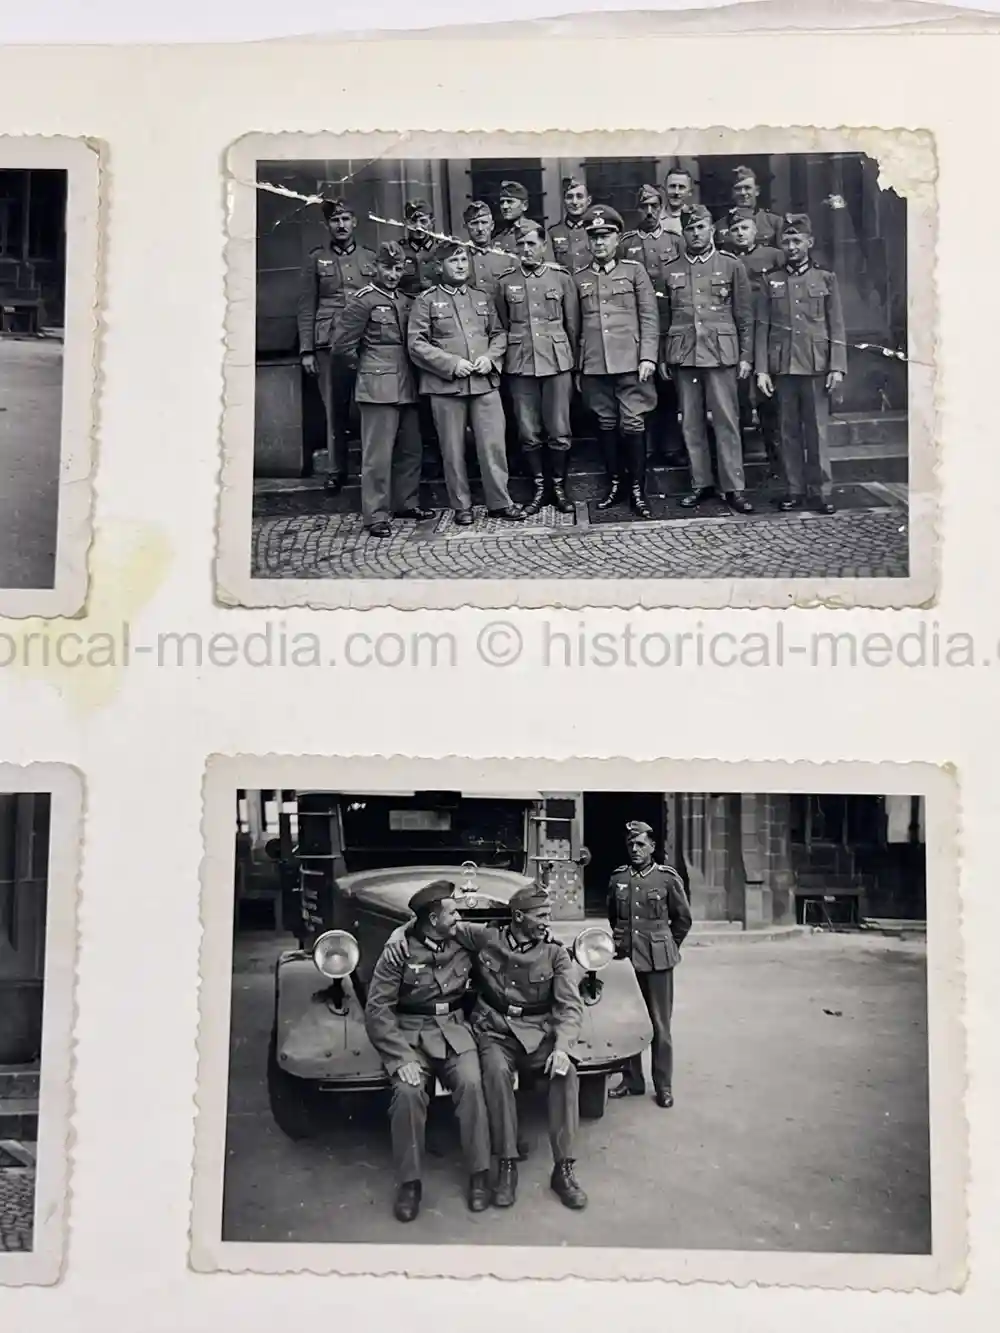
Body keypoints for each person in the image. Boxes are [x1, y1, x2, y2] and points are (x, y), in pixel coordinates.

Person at [384, 884, 588, 1212]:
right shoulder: (486, 938)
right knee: (493, 1071)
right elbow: (428, 922)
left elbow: (570, 1006)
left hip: (539, 1032)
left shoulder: (555, 952)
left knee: (566, 1073)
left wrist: (563, 1048)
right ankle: (506, 1164)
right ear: (518, 916)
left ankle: (564, 1169)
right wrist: (398, 934)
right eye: (540, 915)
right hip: (496, 1030)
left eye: (547, 914)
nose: (547, 921)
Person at [364, 880, 493, 1222]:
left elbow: (503, 938)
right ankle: (410, 1183)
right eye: (452, 913)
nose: (458, 918)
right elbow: (377, 1010)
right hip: (410, 1037)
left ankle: (480, 1174)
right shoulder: (398, 951)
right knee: (407, 1093)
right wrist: (400, 1058)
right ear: (433, 919)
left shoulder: (461, 935)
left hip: (454, 1030)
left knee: (472, 1083)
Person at [407, 239, 524, 525]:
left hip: (484, 384)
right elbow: (416, 343)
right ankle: (462, 506)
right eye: (453, 261)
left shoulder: (481, 297)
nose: (460, 266)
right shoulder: (426, 301)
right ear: (440, 266)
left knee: (493, 445)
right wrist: (451, 364)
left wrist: (490, 358)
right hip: (446, 387)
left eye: (463, 260)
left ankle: (500, 501)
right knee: (452, 449)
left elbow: (498, 333)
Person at [330, 240, 433, 537]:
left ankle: (406, 502)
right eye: (387, 268)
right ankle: (375, 514)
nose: (392, 274)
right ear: (375, 267)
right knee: (378, 455)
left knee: (411, 449)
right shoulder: (362, 301)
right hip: (376, 387)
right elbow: (342, 347)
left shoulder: (403, 301)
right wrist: (367, 371)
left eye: (398, 268)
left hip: (406, 385)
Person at [659, 203, 755, 514]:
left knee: (727, 422)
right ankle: (701, 483)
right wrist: (663, 355)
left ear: (712, 229)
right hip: (685, 356)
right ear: (683, 232)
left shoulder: (730, 265)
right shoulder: (670, 269)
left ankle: (734, 488)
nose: (696, 233)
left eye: (701, 227)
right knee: (691, 423)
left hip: (720, 355)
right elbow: (664, 317)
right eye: (690, 228)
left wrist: (745, 356)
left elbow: (744, 316)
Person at [755, 213, 847, 514]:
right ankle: (794, 489)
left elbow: (837, 327)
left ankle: (822, 491)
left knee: (817, 431)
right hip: (783, 367)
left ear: (810, 242)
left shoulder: (825, 279)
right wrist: (762, 369)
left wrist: (837, 366)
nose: (792, 246)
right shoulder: (772, 280)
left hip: (815, 365)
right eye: (787, 241)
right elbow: (763, 327)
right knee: (788, 431)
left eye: (797, 240)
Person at [574, 204, 660, 518]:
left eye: (606, 236)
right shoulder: (579, 278)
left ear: (618, 238)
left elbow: (649, 317)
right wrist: (577, 365)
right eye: (594, 236)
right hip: (595, 363)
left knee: (634, 423)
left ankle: (638, 490)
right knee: (606, 424)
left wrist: (648, 355)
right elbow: (575, 325)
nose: (599, 242)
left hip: (632, 362)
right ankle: (615, 485)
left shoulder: (634, 271)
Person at [493, 219, 581, 515]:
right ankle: (540, 487)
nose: (526, 250)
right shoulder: (505, 282)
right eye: (521, 245)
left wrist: (575, 366)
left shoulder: (561, 279)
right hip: (520, 364)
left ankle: (558, 486)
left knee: (559, 429)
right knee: (528, 431)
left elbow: (572, 325)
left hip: (557, 362)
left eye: (532, 244)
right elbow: (503, 326)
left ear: (544, 246)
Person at [607, 821, 692, 1109]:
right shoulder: (618, 878)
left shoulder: (666, 879)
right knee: (628, 1021)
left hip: (658, 961)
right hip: (626, 959)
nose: (635, 849)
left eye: (641, 844)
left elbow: (683, 920)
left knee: (659, 1025)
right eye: (631, 844)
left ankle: (663, 1085)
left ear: (653, 847)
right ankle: (632, 1080)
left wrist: (667, 946)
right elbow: (614, 918)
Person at [296, 198, 377, 494]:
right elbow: (306, 307)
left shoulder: (370, 258)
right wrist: (306, 350)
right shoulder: (316, 259)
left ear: (355, 222)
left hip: (365, 342)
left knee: (371, 403)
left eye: (346, 219)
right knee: (334, 408)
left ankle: (373, 468)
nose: (341, 225)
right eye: (335, 220)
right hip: (328, 343)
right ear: (327, 225)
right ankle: (336, 469)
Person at [717, 205, 785, 473]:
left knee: (770, 401)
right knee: (739, 399)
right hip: (738, 336)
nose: (740, 233)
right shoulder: (726, 260)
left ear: (756, 231)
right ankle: (739, 461)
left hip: (768, 333)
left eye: (745, 228)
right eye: (735, 229)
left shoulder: (775, 255)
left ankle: (777, 460)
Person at [622, 185, 686, 464]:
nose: (649, 212)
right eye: (644, 206)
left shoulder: (676, 241)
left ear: (661, 208)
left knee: (670, 388)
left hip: (671, 324)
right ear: (638, 209)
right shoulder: (626, 243)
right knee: (642, 387)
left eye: (654, 206)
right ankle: (645, 446)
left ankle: (671, 446)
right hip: (639, 329)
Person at [714, 164, 783, 250]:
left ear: (757, 191)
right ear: (732, 193)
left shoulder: (773, 222)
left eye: (747, 188)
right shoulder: (720, 225)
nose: (743, 193)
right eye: (738, 189)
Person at [463, 199, 516, 300]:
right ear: (466, 227)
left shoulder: (507, 258)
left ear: (492, 226)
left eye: (484, 223)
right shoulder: (459, 257)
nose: (480, 228)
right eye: (474, 223)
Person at [548, 175, 594, 273]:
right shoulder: (553, 233)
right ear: (563, 201)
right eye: (569, 197)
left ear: (588, 201)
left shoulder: (596, 230)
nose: (574, 202)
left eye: (580, 196)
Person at [399, 199, 441, 298]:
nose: (418, 227)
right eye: (413, 221)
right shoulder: (398, 251)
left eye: (423, 221)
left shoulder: (442, 249)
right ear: (406, 223)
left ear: (432, 222)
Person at [661, 165, 695, 239]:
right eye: (672, 186)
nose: (676, 192)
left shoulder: (697, 220)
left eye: (681, 187)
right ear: (664, 189)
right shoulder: (654, 219)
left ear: (690, 192)